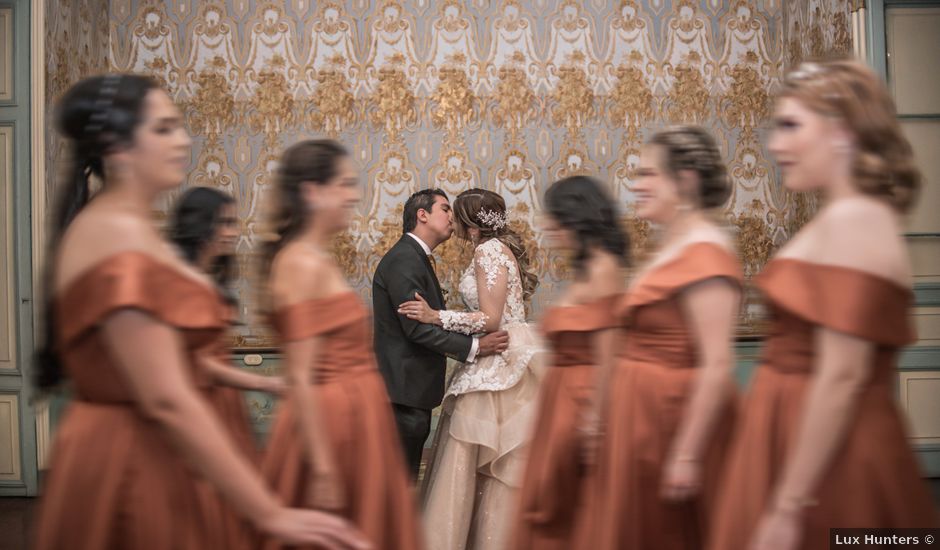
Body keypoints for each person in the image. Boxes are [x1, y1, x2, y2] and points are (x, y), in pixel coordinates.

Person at [33, 74, 367, 550]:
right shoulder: (114, 232)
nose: (184, 140)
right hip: (130, 457)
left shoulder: (131, 226)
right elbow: (166, 398)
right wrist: (269, 511)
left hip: (159, 449)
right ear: (116, 144)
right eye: (165, 128)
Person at [710, 60, 938, 550]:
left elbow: (842, 375)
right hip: (798, 438)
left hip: (835, 460)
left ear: (843, 132)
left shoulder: (857, 220)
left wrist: (790, 505)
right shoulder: (841, 216)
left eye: (792, 126)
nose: (775, 145)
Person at [260, 139, 422, 550]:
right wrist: (323, 468)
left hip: (355, 422)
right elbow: (299, 375)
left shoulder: (314, 256)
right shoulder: (300, 262)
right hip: (330, 429)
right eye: (345, 185)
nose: (354, 195)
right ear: (313, 191)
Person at [586, 126, 742, 549]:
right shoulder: (671, 246)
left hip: (673, 420)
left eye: (648, 174)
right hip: (642, 419)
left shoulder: (707, 253)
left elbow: (716, 363)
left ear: (686, 180)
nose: (636, 185)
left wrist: (687, 453)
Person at [398, 189, 544, 549]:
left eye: (453, 212)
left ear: (469, 222)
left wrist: (437, 317)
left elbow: (491, 319)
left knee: (480, 456)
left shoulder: (486, 251)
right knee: (497, 458)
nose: (450, 219)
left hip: (500, 356)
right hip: (509, 350)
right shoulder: (500, 249)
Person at [510, 176, 628, 550]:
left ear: (577, 218)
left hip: (583, 402)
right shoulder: (586, 268)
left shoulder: (605, 268)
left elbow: (610, 354)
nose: (548, 226)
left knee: (578, 512)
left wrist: (595, 421)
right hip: (560, 403)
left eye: (555, 217)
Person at [373, 189, 509, 479]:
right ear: (422, 215)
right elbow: (417, 329)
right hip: (402, 393)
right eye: (445, 209)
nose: (452, 217)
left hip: (411, 391)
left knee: (402, 481)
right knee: (399, 481)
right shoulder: (404, 259)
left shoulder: (416, 257)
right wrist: (475, 347)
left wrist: (440, 318)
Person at [169, 186, 285, 463]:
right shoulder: (180, 281)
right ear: (199, 225)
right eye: (224, 223)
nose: (233, 232)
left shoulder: (207, 279)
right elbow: (195, 362)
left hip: (222, 401)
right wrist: (264, 382)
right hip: (197, 403)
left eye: (234, 223)